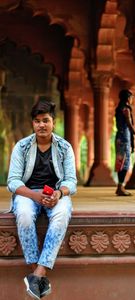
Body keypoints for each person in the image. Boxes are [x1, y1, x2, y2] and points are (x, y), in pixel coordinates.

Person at [7, 97, 77, 299]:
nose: (41, 125)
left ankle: (38, 273)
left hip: (55, 193)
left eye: (45, 120)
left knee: (62, 214)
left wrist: (59, 193)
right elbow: (13, 181)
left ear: (53, 122)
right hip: (28, 193)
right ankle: (36, 270)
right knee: (25, 215)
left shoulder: (64, 147)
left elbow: (71, 181)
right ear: (33, 124)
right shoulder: (22, 146)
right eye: (37, 121)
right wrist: (34, 195)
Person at [115, 89, 135, 196]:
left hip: (120, 137)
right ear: (128, 98)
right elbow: (129, 125)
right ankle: (120, 187)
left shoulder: (119, 108)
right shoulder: (126, 109)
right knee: (124, 163)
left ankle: (120, 186)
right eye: (131, 97)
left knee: (120, 162)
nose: (132, 99)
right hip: (124, 138)